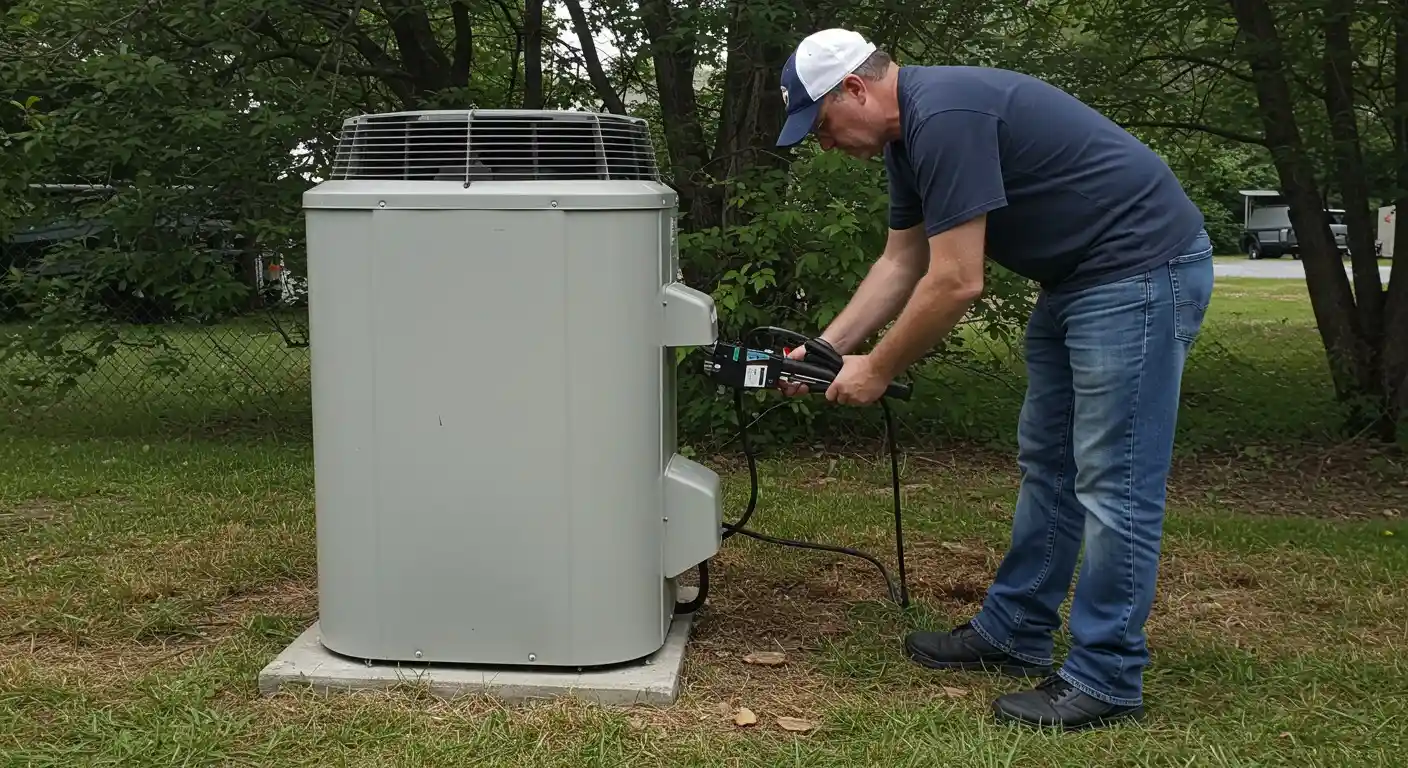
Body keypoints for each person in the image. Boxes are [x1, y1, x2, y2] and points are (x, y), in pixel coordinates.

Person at [772, 28, 1214, 730]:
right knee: (1049, 464)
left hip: (1140, 269)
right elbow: (901, 264)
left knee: (1113, 479)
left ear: (856, 88)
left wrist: (878, 369)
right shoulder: (909, 140)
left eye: (822, 125)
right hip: (1077, 281)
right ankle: (1016, 630)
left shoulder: (945, 115)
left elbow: (956, 281)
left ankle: (1107, 677)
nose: (826, 143)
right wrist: (826, 350)